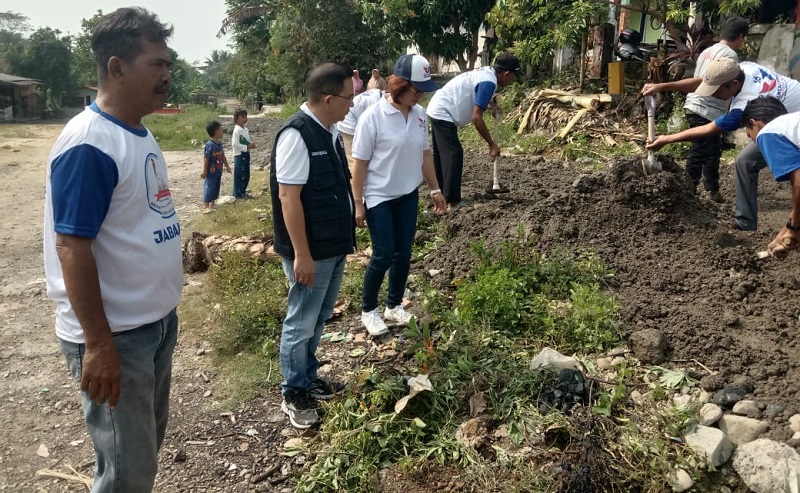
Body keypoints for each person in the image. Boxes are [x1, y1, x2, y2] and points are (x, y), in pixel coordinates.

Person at [43, 7, 183, 492]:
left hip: (153, 327)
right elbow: (71, 248)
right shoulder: (91, 144)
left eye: (169, 65)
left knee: (143, 452)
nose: (167, 75)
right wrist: (99, 344)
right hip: (117, 337)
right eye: (157, 64)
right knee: (127, 471)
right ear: (117, 67)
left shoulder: (136, 132)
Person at [269, 63, 356, 429]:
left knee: (318, 318)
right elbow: (289, 197)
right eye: (349, 98)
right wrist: (302, 254)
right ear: (327, 98)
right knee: (301, 320)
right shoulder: (297, 135)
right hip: (312, 251)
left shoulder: (330, 131)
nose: (352, 105)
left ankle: (307, 377)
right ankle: (294, 391)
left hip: (333, 244)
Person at [351, 54, 447, 336]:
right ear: (398, 86)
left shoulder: (419, 116)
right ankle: (369, 310)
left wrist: (436, 189)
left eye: (421, 91)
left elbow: (425, 155)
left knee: (403, 253)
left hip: (407, 193)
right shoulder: (373, 117)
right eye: (415, 90)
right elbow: (360, 163)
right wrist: (358, 203)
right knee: (383, 254)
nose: (419, 96)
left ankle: (394, 306)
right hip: (379, 196)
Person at [643, 58, 800, 230]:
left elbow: (708, 129)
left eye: (716, 91)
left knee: (790, 173)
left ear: (733, 84)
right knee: (744, 161)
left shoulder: (744, 106)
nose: (712, 94)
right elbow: (704, 83)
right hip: (784, 117)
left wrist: (666, 139)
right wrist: (662, 86)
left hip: (787, 125)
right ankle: (745, 223)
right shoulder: (744, 68)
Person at [426, 52, 522, 212]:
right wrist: (492, 145)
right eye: (513, 76)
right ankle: (452, 202)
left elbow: (475, 93)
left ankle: (442, 196)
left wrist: (490, 105)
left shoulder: (487, 74)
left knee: (445, 156)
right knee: (453, 154)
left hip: (439, 107)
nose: (512, 80)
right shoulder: (489, 82)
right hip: (443, 111)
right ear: (506, 74)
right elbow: (476, 117)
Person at [681, 16, 749, 202]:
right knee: (700, 151)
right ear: (741, 37)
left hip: (697, 105)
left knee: (712, 151)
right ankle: (688, 192)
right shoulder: (729, 56)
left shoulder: (707, 51)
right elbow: (708, 82)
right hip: (706, 108)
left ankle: (713, 190)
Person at [739, 96, 800, 258]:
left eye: (749, 135)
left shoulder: (768, 132)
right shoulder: (792, 125)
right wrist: (784, 233)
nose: (754, 141)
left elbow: (799, 183)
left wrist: (793, 228)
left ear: (755, 123)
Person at [338, 87, 385, 174]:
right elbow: (375, 124)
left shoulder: (377, 93)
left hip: (353, 116)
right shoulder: (378, 103)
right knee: (354, 158)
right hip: (348, 121)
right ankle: (353, 182)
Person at [201, 120, 231, 213]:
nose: (223, 131)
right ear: (216, 132)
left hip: (218, 170)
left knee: (216, 187)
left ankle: (212, 204)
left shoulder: (219, 144)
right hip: (211, 171)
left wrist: (227, 166)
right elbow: (206, 158)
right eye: (221, 129)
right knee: (210, 186)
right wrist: (205, 171)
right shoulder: (210, 144)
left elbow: (222, 155)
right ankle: (206, 206)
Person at [231, 108, 256, 199]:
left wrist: (250, 145)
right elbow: (234, 144)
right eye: (242, 117)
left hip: (246, 154)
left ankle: (243, 191)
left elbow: (245, 141)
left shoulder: (245, 130)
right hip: (239, 154)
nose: (245, 119)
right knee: (239, 174)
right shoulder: (237, 130)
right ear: (237, 118)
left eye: (246, 116)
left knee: (245, 173)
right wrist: (246, 147)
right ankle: (238, 193)